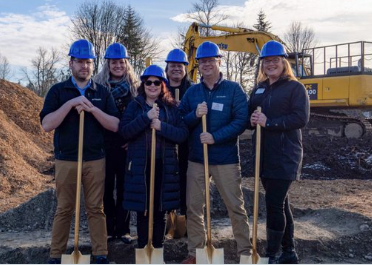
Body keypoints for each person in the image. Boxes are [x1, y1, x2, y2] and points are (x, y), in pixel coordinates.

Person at [40, 39, 120, 264]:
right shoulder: (58, 91)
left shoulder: (102, 92)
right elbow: (47, 125)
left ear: (93, 64)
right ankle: (56, 255)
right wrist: (70, 104)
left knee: (96, 208)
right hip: (66, 159)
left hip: (95, 159)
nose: (84, 66)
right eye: (80, 62)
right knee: (64, 208)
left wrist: (92, 108)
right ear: (71, 63)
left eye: (88, 62)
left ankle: (100, 253)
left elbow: (115, 125)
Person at [179, 41, 252, 264]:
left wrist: (215, 137)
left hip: (226, 159)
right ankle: (196, 252)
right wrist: (194, 114)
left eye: (211, 60)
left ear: (219, 61)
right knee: (193, 207)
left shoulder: (234, 89)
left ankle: (245, 253)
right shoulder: (192, 92)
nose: (207, 64)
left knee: (235, 207)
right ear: (198, 65)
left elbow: (241, 121)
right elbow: (180, 122)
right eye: (203, 61)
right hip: (198, 160)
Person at [248, 40, 310, 264]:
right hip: (263, 156)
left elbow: (300, 118)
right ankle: (289, 252)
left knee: (274, 204)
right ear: (262, 64)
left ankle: (272, 254)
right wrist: (252, 119)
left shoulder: (295, 88)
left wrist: (269, 122)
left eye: (275, 60)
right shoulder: (259, 89)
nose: (271, 64)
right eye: (267, 61)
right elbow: (249, 118)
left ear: (284, 62)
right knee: (281, 204)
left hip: (285, 155)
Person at [118, 65, 189, 249]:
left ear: (162, 85)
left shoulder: (171, 108)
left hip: (164, 167)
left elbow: (182, 134)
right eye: (148, 82)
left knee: (160, 210)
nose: (152, 85)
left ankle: (157, 249)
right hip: (141, 167)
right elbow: (124, 132)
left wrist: (161, 127)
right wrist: (145, 118)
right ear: (143, 84)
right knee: (143, 210)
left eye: (156, 82)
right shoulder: (135, 105)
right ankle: (143, 247)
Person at [94, 42, 139, 244]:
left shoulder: (136, 89)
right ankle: (107, 229)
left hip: (126, 146)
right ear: (108, 64)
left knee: (124, 188)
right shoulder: (98, 87)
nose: (118, 65)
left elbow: (140, 118)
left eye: (122, 62)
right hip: (104, 145)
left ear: (126, 63)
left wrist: (134, 140)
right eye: (114, 62)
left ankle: (123, 230)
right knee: (104, 189)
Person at [164, 48, 193, 236]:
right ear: (167, 68)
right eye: (172, 66)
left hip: (188, 146)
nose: (176, 69)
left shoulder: (193, 89)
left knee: (186, 182)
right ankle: (169, 219)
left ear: (185, 68)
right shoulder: (159, 87)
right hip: (165, 144)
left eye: (180, 66)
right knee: (168, 182)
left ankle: (187, 221)